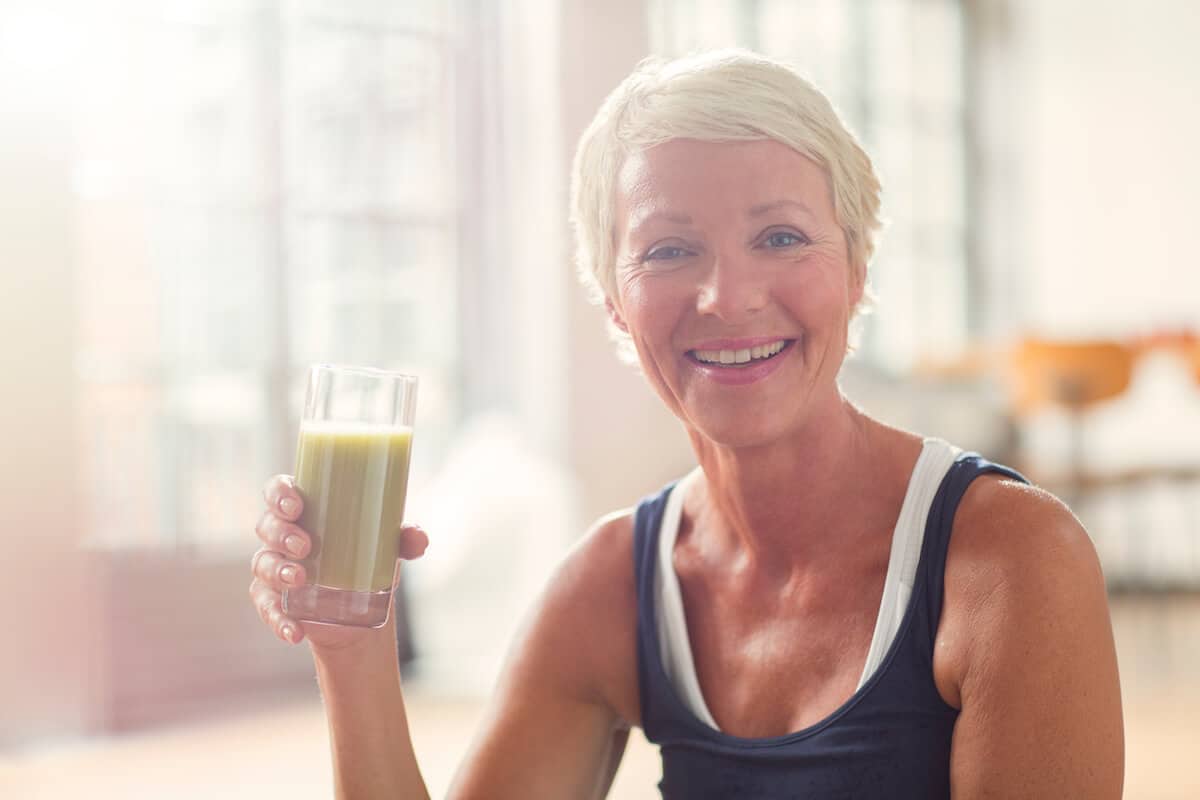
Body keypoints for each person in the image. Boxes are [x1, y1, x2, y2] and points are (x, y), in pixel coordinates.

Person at [249, 50, 1124, 798]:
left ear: (856, 269)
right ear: (615, 304)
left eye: (781, 237)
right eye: (669, 250)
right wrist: (350, 643)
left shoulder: (1011, 561)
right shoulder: (612, 585)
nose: (728, 296)